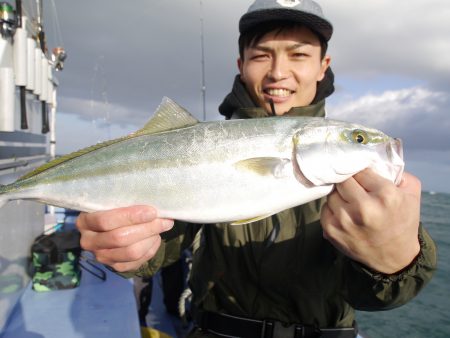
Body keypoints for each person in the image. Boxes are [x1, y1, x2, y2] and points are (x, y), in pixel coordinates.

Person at [76, 1, 437, 337]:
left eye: (299, 55)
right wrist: (133, 250)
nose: (278, 72)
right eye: (262, 55)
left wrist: (396, 261)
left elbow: (377, 296)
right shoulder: (197, 143)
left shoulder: (354, 176)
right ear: (241, 64)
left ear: (323, 66)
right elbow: (165, 243)